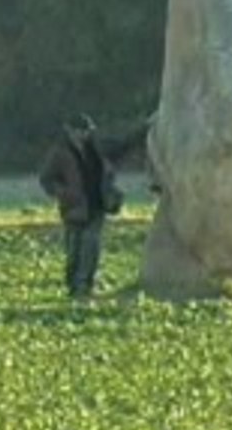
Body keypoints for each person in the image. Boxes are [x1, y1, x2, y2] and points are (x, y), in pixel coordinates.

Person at [38, 112, 150, 299]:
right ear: (70, 131)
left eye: (86, 131)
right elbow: (46, 179)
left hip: (97, 205)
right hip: (73, 209)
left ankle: (85, 287)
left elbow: (122, 147)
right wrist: (63, 193)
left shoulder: (97, 148)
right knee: (74, 251)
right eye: (80, 131)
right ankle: (74, 287)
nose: (84, 135)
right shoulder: (59, 153)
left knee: (91, 247)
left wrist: (144, 129)